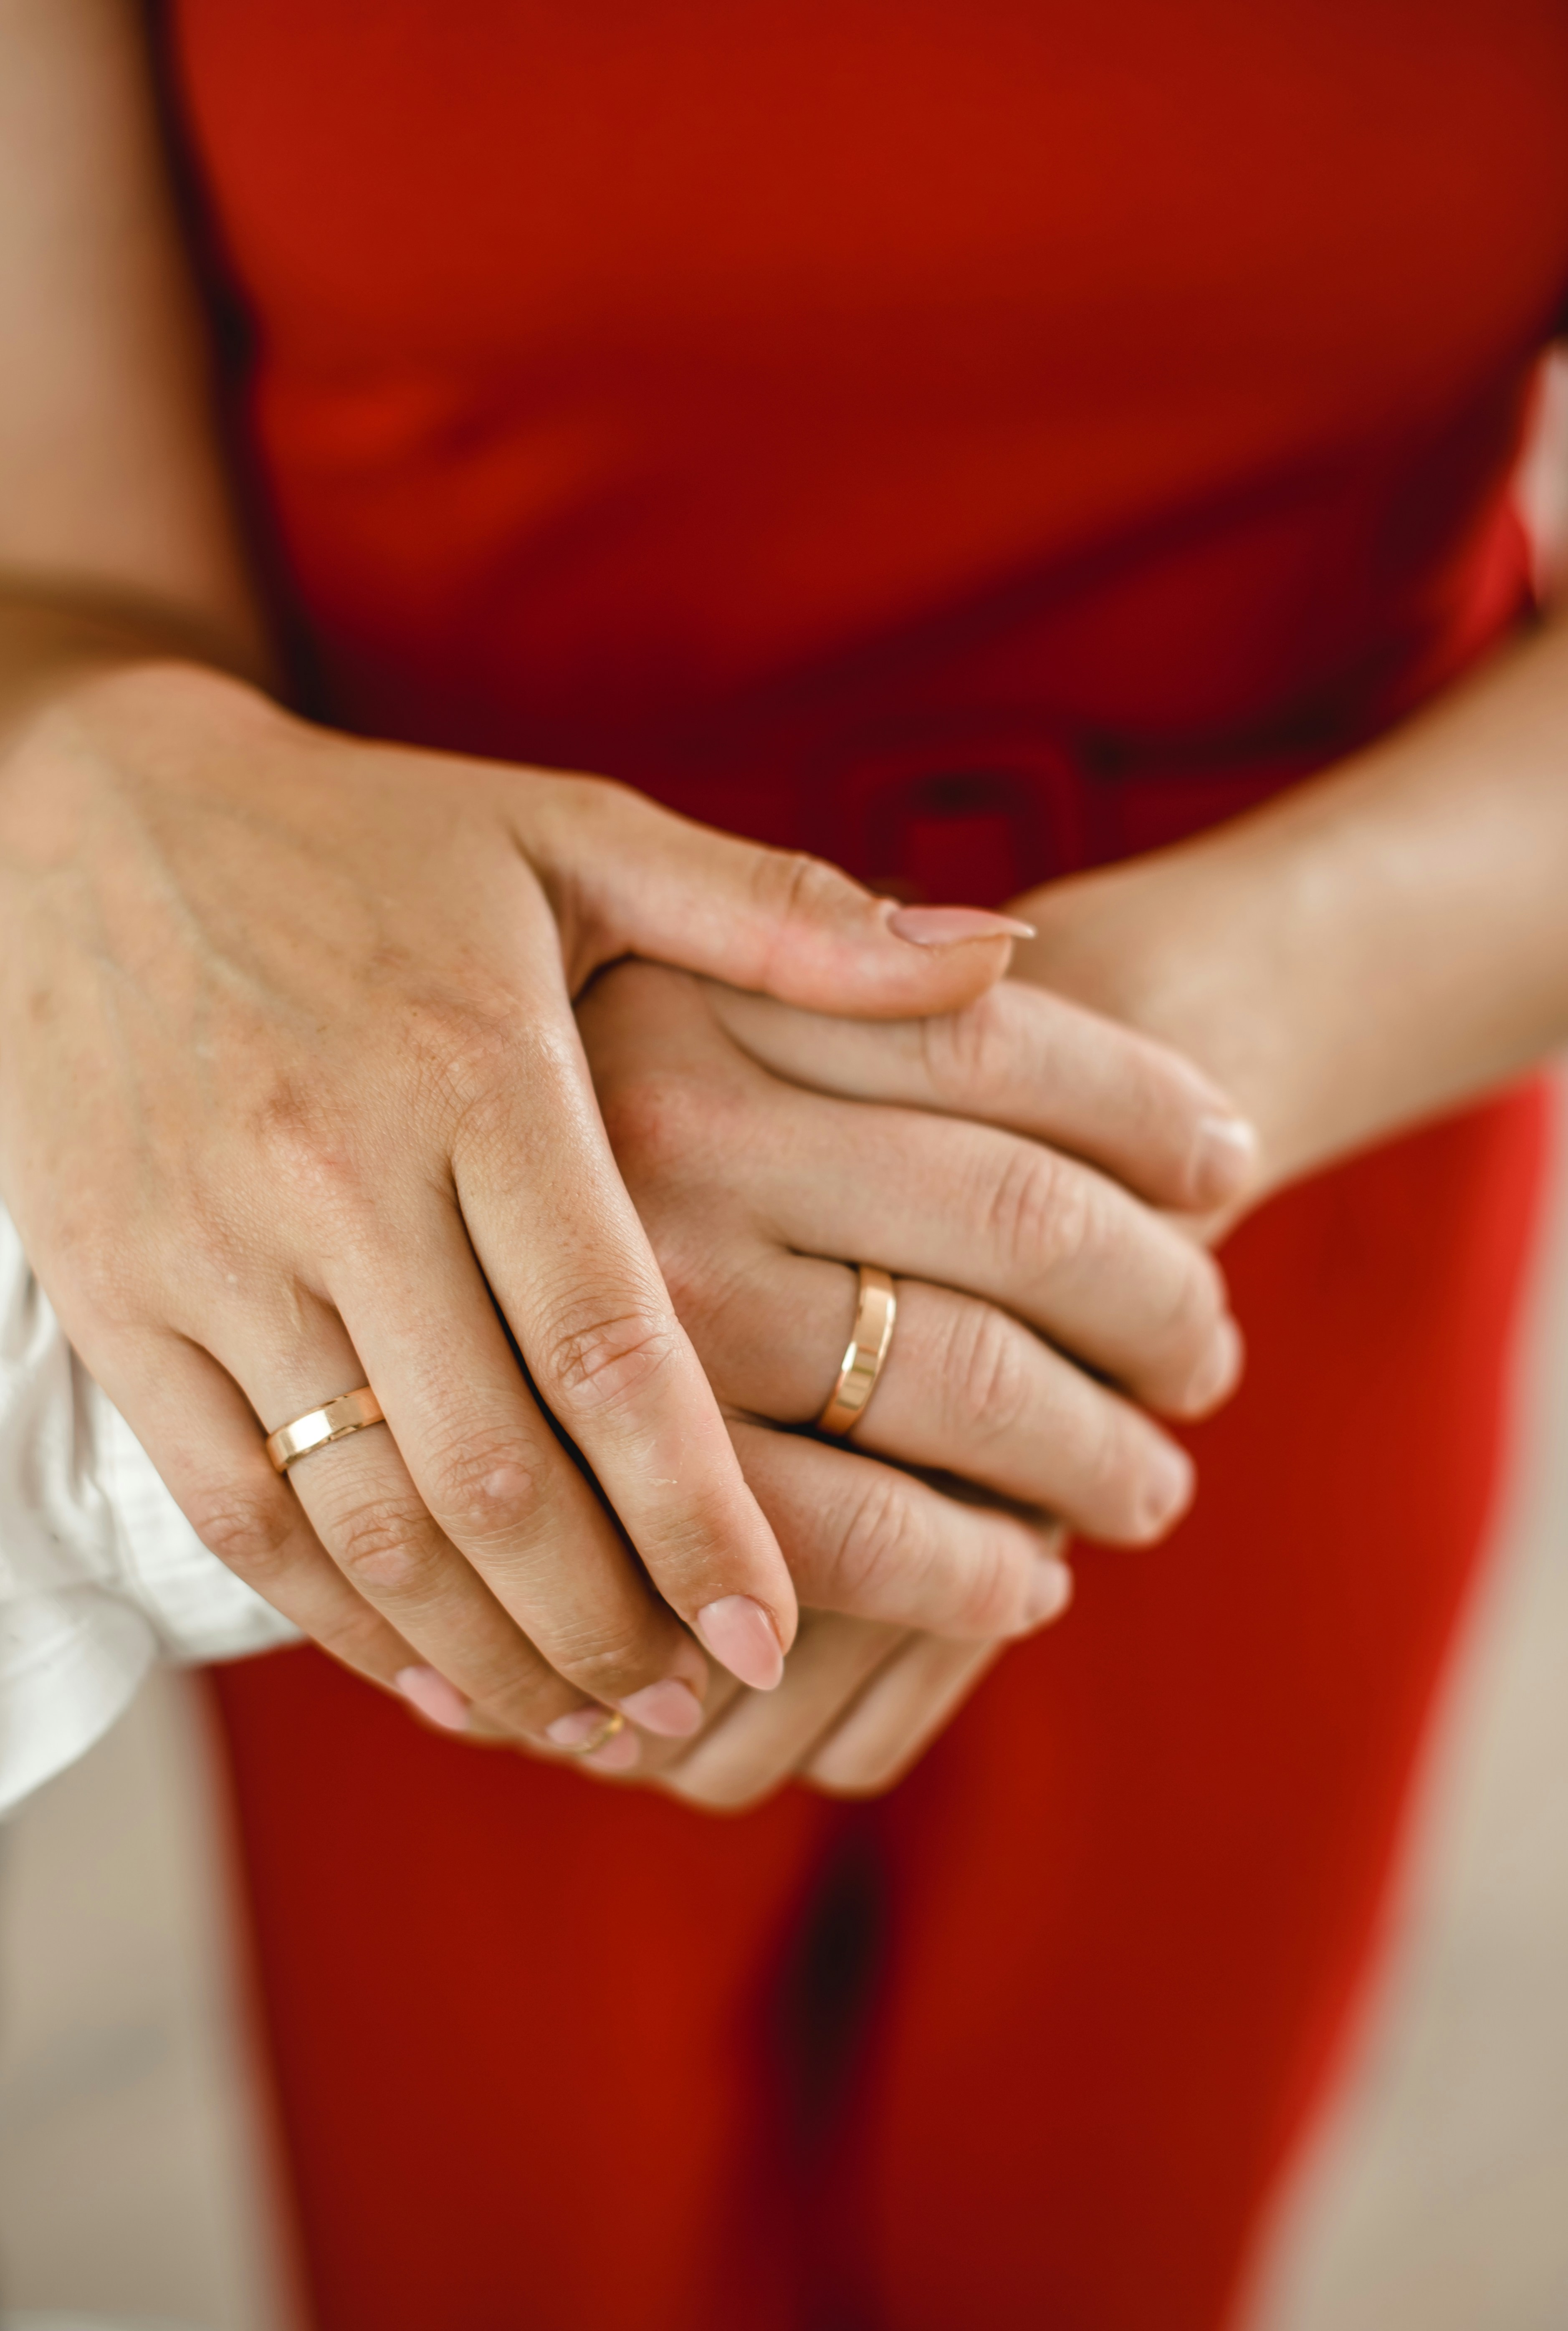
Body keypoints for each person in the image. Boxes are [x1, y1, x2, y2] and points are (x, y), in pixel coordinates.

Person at [0, 2, 1565, 2325]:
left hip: (1286, 1109)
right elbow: (58, 568)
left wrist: (1031, 1111)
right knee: (497, 2227)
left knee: (1108, 2218)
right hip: (397, 1162)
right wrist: (86, 787)